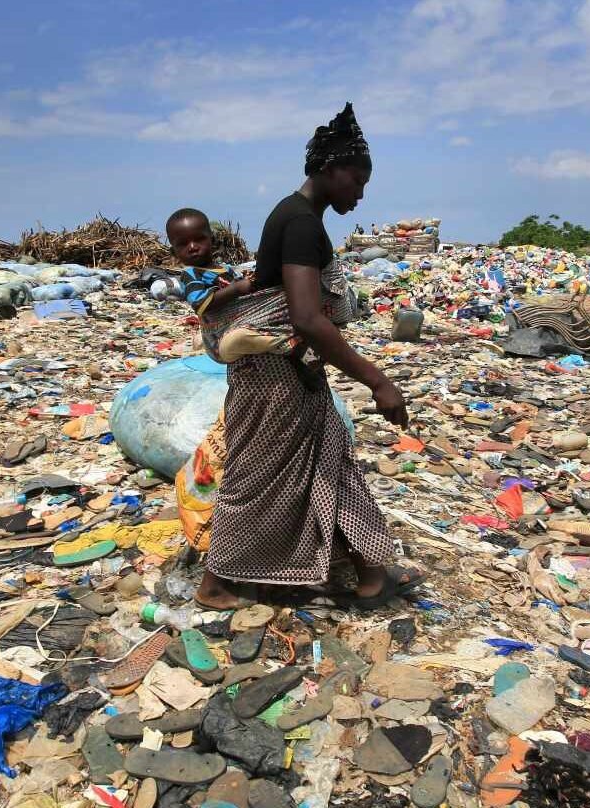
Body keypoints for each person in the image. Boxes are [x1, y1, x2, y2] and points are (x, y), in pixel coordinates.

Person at [195, 102, 423, 610]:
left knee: (328, 461)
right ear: (327, 169)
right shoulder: (299, 223)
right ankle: (217, 582)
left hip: (290, 369)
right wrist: (376, 379)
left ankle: (369, 570)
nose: (360, 193)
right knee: (261, 474)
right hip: (275, 374)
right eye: (356, 180)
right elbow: (305, 317)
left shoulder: (297, 215)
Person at [167, 208, 300, 362]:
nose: (192, 247)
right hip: (220, 341)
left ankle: (291, 341)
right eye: (183, 244)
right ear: (174, 252)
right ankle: (291, 344)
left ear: (213, 240)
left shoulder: (227, 269)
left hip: (242, 323)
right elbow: (199, 303)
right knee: (237, 339)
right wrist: (236, 289)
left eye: (199, 239)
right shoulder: (191, 274)